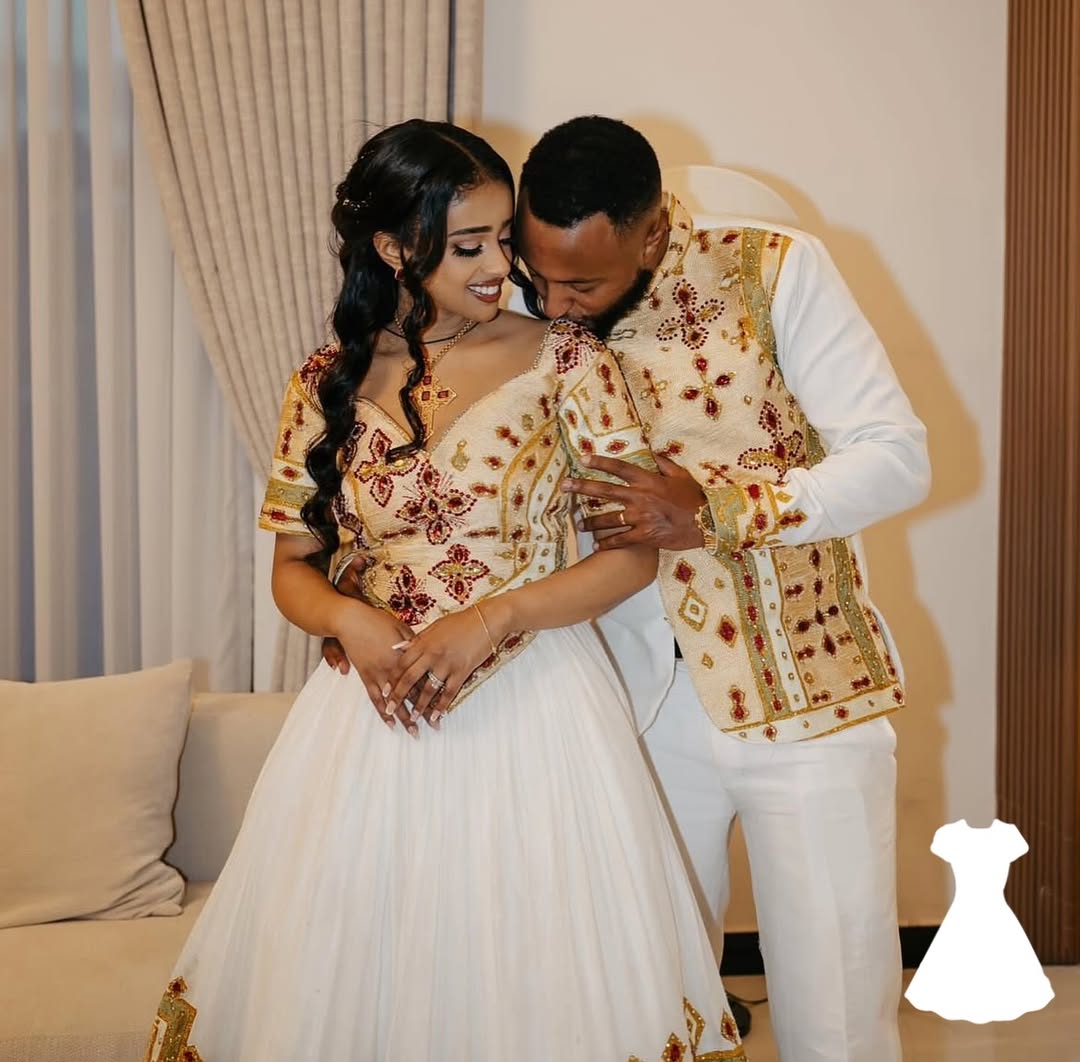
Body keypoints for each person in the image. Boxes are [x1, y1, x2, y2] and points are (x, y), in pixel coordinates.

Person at [143, 119, 746, 1062]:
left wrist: (491, 617)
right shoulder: (325, 383)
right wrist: (351, 617)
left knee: (535, 962)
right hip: (371, 721)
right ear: (393, 247)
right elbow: (291, 571)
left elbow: (630, 555)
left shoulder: (569, 362)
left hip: (536, 704)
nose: (501, 265)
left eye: (504, 238)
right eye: (471, 245)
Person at [509, 116, 931, 1062]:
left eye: (581, 282)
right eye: (540, 277)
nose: (556, 304)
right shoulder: (522, 313)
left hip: (805, 691)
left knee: (838, 1018)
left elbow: (897, 460)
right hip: (626, 707)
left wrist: (720, 513)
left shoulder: (775, 268)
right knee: (650, 1013)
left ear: (652, 233)